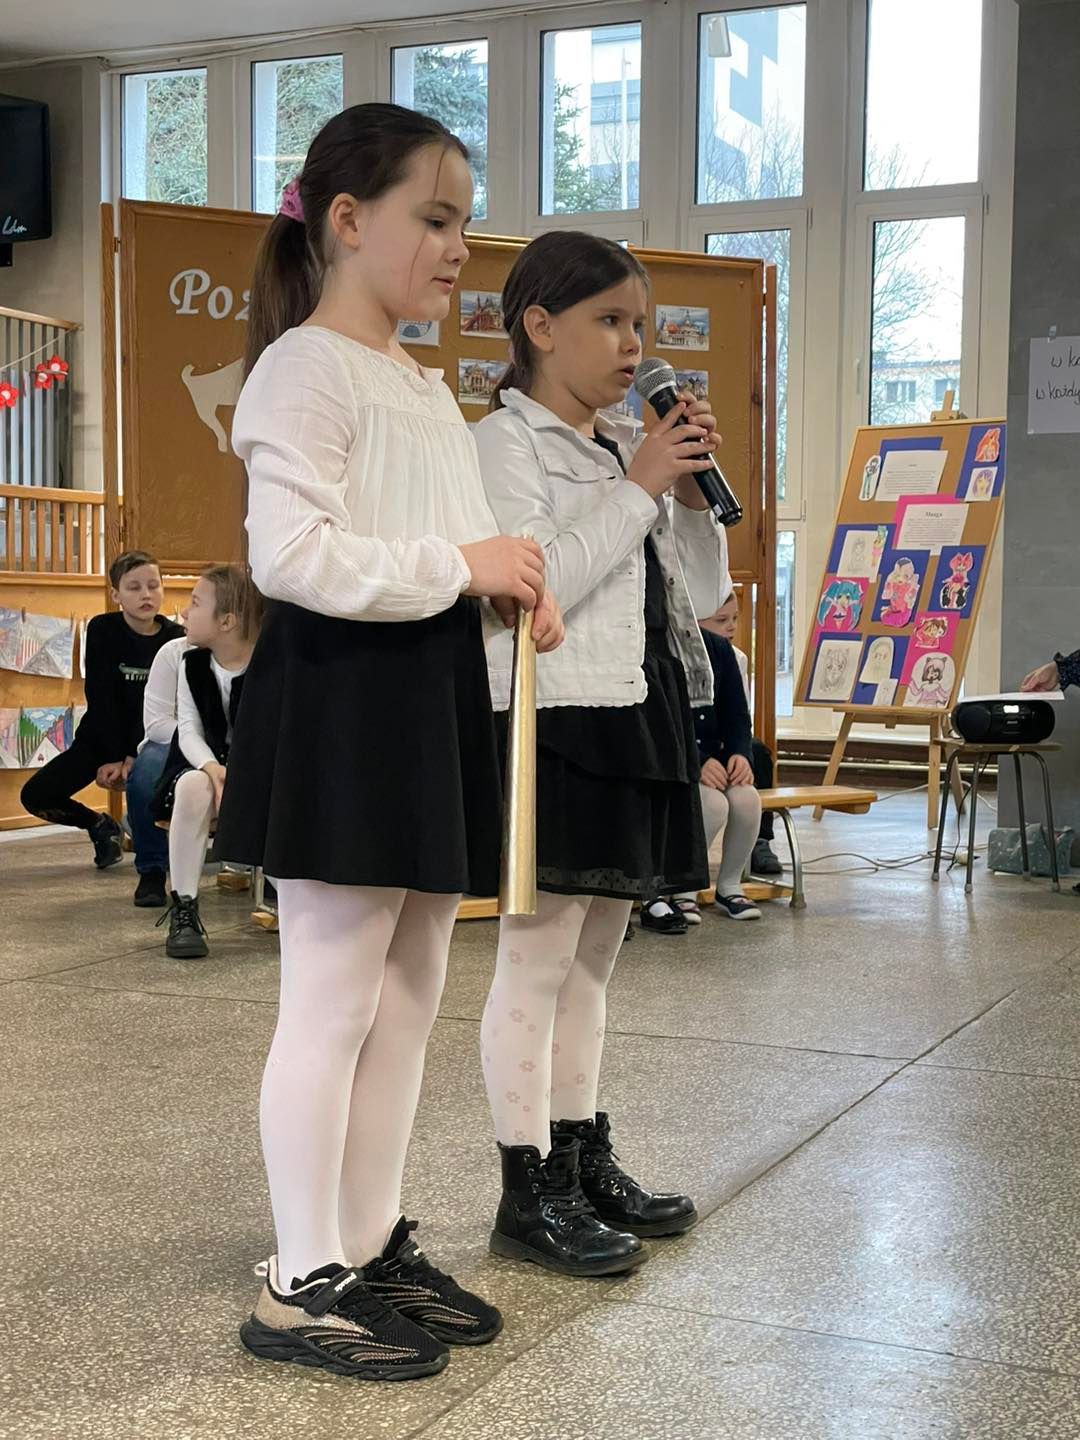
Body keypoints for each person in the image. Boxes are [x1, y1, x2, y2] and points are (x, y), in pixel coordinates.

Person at [212, 104, 563, 1382]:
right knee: (333, 994)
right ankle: (300, 1277)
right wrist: (463, 566)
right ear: (349, 222)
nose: (460, 248)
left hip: (422, 693)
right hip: (341, 697)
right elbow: (290, 556)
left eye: (466, 222)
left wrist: (514, 584)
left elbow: (457, 539)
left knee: (410, 989)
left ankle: (364, 1242)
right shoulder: (303, 367)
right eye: (437, 218)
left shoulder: (418, 383)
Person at [474, 230, 729, 1277]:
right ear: (540, 326)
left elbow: (702, 595)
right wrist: (639, 485)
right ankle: (524, 1187)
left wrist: (685, 496)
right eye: (610, 322)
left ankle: (578, 1157)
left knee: (593, 962)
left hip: (641, 704)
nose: (633, 346)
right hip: (558, 715)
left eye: (641, 326)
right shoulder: (505, 442)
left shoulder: (624, 446)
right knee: (536, 961)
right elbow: (536, 583)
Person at [20, 551, 183, 901]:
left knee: (146, 780)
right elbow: (101, 697)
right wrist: (113, 756)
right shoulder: (102, 630)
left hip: (151, 740)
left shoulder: (176, 638)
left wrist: (133, 756)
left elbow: (168, 706)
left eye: (153, 586)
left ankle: (153, 868)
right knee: (35, 795)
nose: (146, 595)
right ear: (116, 594)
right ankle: (99, 825)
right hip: (101, 738)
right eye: (134, 587)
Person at [151, 567, 261, 959]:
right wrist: (213, 770)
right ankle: (184, 906)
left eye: (195, 603)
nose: (184, 612)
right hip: (207, 763)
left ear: (227, 621)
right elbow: (188, 730)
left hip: (260, 767)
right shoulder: (191, 663)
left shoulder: (271, 664)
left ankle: (289, 898)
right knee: (191, 786)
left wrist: (240, 775)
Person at [700, 591, 782, 878]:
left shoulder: (736, 657)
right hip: (694, 745)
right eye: (721, 620)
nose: (732, 626)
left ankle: (760, 839)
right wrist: (701, 759)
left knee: (758, 754)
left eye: (735, 618)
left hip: (720, 741)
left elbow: (738, 716)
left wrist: (739, 754)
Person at [128, 632, 189, 908]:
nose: (184, 614)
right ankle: (152, 868)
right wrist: (199, 740)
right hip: (172, 738)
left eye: (195, 609)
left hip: (232, 741)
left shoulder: (251, 649)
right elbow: (157, 726)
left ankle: (272, 871)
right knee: (146, 773)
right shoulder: (172, 652)